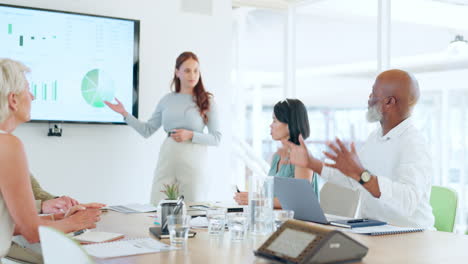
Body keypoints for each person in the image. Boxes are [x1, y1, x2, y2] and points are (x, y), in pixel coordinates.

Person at [287, 69, 435, 229]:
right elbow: (355, 179)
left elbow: (407, 200)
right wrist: (311, 163)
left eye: (373, 93)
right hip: (374, 229)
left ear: (389, 102)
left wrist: (362, 175)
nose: (369, 99)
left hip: (409, 237)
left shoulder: (413, 143)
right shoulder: (375, 137)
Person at [0, 58, 103, 261]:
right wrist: (78, 222)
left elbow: (13, 226)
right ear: (13, 100)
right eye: (28, 90)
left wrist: (59, 218)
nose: (33, 96)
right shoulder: (7, 145)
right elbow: (31, 232)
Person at [105, 51, 221, 204]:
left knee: (194, 210)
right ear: (177, 72)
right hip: (168, 159)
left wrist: (191, 135)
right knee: (158, 207)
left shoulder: (207, 101)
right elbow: (147, 130)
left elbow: (216, 138)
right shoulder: (167, 100)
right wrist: (124, 114)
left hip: (194, 163)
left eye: (195, 70)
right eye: (187, 70)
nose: (192, 75)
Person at [233, 99, 317, 208]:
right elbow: (270, 198)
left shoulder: (302, 158)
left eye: (275, 121)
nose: (270, 125)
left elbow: (298, 201)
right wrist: (252, 197)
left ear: (290, 124)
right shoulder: (277, 157)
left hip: (299, 223)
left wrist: (257, 200)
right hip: (277, 220)